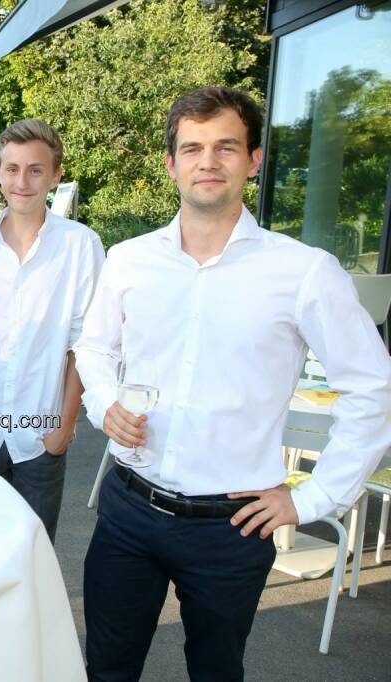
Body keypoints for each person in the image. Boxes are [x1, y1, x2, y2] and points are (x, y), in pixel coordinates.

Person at [74, 87, 391, 681]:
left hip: (232, 524)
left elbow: (373, 387)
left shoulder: (302, 270)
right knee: (107, 669)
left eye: (225, 146)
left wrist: (315, 498)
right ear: (171, 164)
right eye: (192, 148)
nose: (208, 161)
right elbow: (93, 346)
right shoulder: (129, 259)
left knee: (217, 672)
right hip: (129, 508)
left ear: (254, 159)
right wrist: (103, 402)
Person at [0, 119, 104, 543]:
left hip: (41, 432)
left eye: (36, 170)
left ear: (55, 175)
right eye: (12, 168)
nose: (22, 181)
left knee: (32, 557)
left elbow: (84, 343)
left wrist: (65, 425)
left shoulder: (80, 245)